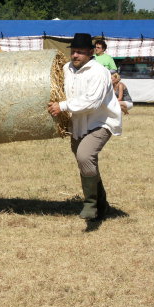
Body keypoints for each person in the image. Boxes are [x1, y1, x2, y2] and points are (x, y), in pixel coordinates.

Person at [47, 33, 121, 221]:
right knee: (87, 164)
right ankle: (102, 207)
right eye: (73, 51)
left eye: (80, 52)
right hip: (78, 124)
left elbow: (93, 102)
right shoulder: (66, 69)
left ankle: (90, 203)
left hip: (101, 122)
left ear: (90, 52)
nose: (75, 56)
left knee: (85, 156)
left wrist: (62, 106)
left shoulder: (99, 72)